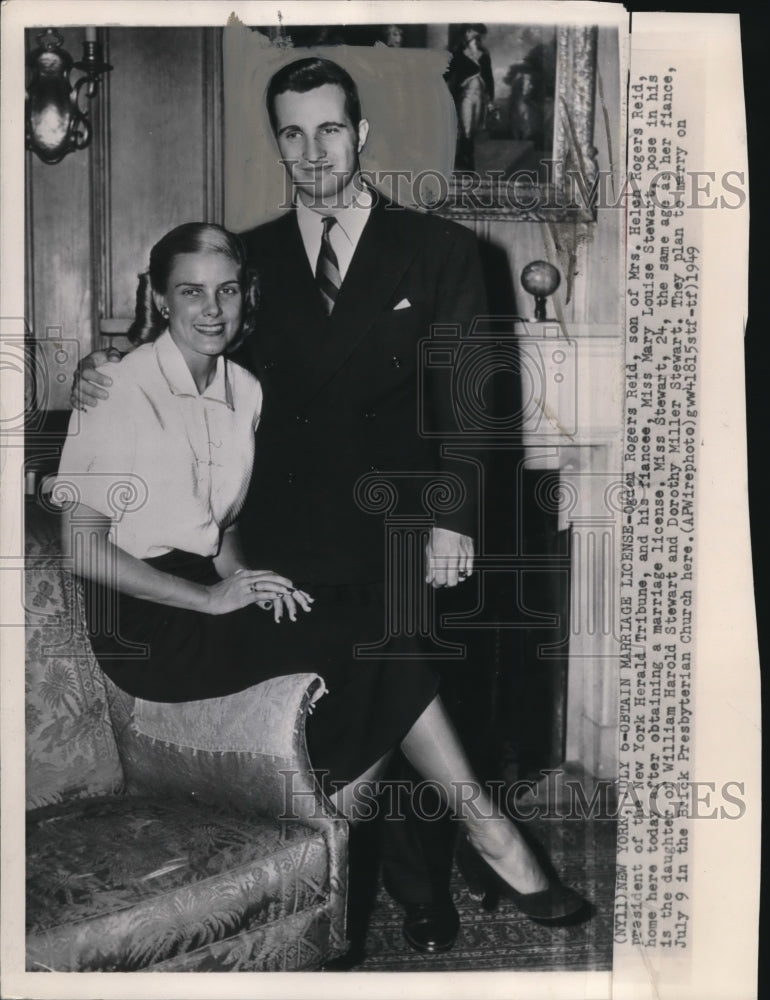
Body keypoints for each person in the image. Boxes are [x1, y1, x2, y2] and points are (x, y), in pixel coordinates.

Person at [72, 57, 584, 955]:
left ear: (362, 135)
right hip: (276, 532)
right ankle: (452, 853)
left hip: (405, 522)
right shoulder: (248, 257)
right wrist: (96, 370)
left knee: (414, 667)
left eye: (331, 129)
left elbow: (472, 401)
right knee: (357, 682)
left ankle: (431, 887)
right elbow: (178, 353)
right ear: (278, 142)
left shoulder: (440, 248)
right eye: (294, 133)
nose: (314, 151)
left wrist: (457, 515)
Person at [446, 24, 496, 171]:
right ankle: (468, 159)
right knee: (466, 128)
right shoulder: (459, 53)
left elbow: (489, 77)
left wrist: (491, 99)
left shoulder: (484, 54)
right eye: (466, 31)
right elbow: (447, 72)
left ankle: (463, 156)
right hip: (465, 96)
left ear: (476, 33)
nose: (467, 34)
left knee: (473, 129)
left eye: (470, 31)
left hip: (479, 97)